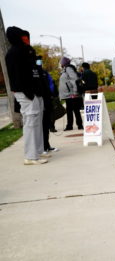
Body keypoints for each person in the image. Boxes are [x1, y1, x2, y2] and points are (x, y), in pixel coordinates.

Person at [5, 27, 48, 165]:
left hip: (34, 91)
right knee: (30, 121)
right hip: (26, 92)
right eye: (23, 36)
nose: (26, 39)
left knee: (36, 121)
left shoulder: (26, 51)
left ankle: (38, 151)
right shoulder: (13, 53)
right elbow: (16, 76)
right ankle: (30, 156)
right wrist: (27, 92)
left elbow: (35, 70)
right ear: (17, 37)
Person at [35, 56, 58, 152]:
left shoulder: (44, 73)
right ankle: (42, 147)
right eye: (38, 60)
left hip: (47, 100)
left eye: (40, 60)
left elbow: (51, 84)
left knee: (46, 124)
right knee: (41, 125)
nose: (40, 62)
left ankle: (47, 145)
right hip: (40, 100)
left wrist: (52, 95)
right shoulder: (35, 73)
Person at [59, 56, 83, 130]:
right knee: (71, 110)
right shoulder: (65, 70)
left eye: (61, 62)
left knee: (74, 110)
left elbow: (74, 79)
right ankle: (73, 125)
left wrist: (75, 92)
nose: (60, 63)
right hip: (68, 94)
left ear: (64, 63)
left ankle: (75, 125)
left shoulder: (68, 69)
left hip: (71, 94)